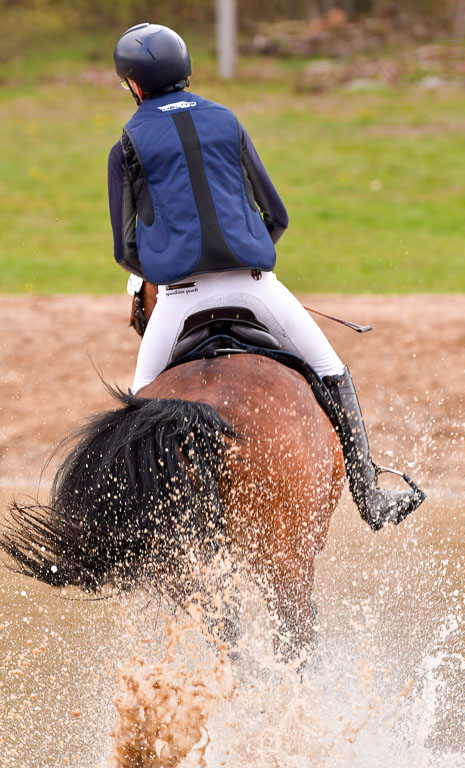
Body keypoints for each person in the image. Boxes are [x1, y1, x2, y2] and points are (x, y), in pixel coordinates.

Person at [108, 22, 425, 531]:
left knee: (134, 418)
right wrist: (246, 256)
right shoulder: (227, 121)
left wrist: (173, 267)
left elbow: (126, 250)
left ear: (134, 85)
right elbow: (275, 214)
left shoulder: (125, 143)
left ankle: (126, 531)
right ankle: (371, 495)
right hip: (255, 286)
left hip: (177, 300)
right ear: (186, 71)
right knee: (331, 369)